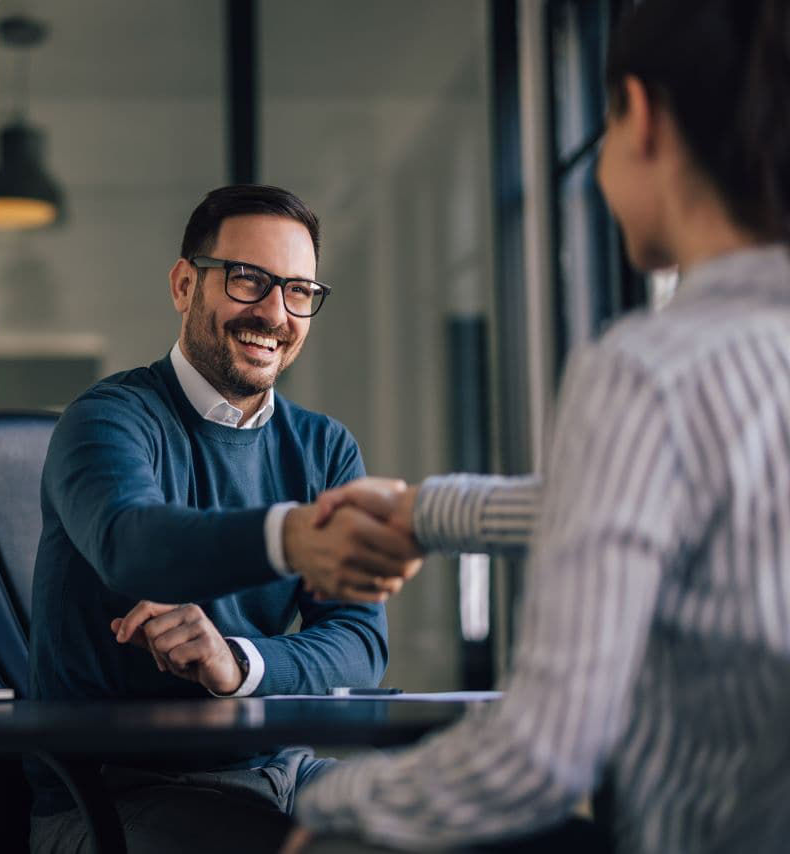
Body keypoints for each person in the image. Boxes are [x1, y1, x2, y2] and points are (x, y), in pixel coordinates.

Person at [281, 0, 790, 851]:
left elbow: (540, 759)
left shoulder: (651, 372)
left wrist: (330, 809)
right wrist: (422, 513)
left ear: (644, 116)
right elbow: (669, 510)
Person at [27, 184, 423, 853]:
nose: (274, 313)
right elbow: (132, 543)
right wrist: (291, 536)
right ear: (185, 285)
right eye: (248, 280)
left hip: (283, 774)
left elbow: (358, 641)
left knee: (455, 825)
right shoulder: (106, 420)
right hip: (112, 795)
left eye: (299, 290)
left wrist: (239, 663)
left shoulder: (325, 448)